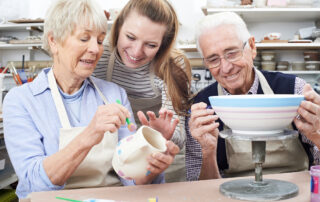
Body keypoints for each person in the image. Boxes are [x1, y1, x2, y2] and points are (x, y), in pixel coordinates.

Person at [3, 0, 179, 198]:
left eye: (99, 40)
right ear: (53, 41)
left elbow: (130, 178)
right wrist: (90, 134)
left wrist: (150, 157)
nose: (95, 49)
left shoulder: (114, 95)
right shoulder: (21, 100)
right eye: (84, 38)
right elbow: (34, 184)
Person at [185, 12, 320, 180]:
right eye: (213, 59)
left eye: (232, 53)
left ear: (252, 47)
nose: (226, 68)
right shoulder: (202, 107)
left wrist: (317, 134)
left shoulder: (295, 90)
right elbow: (199, 189)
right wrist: (208, 152)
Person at [94, 0, 192, 182]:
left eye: (151, 45)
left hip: (160, 157)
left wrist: (163, 135)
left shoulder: (173, 65)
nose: (137, 52)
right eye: (130, 37)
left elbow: (180, 135)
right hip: (113, 157)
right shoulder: (100, 55)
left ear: (163, 43)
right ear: (118, 27)